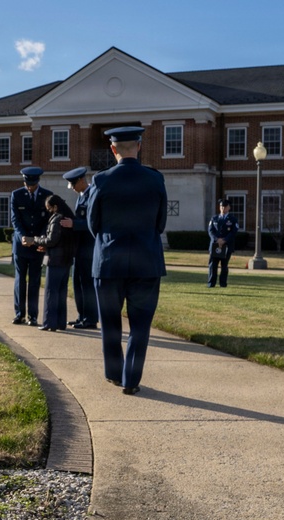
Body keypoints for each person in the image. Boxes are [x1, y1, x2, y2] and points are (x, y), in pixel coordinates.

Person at [88, 126, 168, 395]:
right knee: (140, 325)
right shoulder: (155, 179)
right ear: (139, 146)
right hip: (147, 261)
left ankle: (114, 373)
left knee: (110, 323)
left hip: (109, 262)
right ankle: (131, 380)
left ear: (113, 149)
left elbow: (93, 224)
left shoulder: (101, 180)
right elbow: (160, 223)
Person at [10, 167, 52, 325]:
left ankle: (32, 316)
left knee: (34, 281)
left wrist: (38, 239)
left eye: (32, 185)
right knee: (20, 280)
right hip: (21, 244)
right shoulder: (16, 195)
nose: (29, 187)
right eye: (27, 184)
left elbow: (48, 221)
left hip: (37, 245)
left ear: (38, 182)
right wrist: (23, 236)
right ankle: (19, 313)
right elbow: (15, 220)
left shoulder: (47, 195)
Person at [27, 194, 76, 331]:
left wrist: (35, 240)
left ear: (55, 206)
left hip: (55, 260)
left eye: (49, 208)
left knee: (51, 292)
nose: (48, 210)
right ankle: (60, 322)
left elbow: (51, 240)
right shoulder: (67, 217)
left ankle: (49, 322)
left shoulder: (56, 218)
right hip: (65, 260)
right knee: (61, 292)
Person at [63, 167, 98, 329]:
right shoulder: (81, 196)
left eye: (73, 184)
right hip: (79, 247)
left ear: (81, 181)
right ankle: (81, 315)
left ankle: (90, 318)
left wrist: (74, 224)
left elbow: (93, 222)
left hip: (89, 248)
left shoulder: (92, 195)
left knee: (87, 284)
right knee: (77, 282)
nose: (72, 188)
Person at [206, 198, 238, 288]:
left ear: (229, 207)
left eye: (224, 206)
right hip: (215, 245)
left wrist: (224, 240)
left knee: (224, 265)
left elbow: (233, 232)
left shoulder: (233, 219)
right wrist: (217, 239)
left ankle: (223, 284)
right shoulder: (214, 218)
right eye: (221, 206)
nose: (222, 208)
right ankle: (211, 283)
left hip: (226, 245)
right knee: (213, 264)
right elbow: (210, 231)